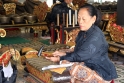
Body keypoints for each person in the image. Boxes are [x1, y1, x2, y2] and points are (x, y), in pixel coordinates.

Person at [45, 4, 118, 83]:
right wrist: (63, 53)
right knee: (65, 57)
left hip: (102, 71)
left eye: (83, 19)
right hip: (89, 64)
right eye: (79, 18)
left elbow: (80, 55)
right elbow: (78, 50)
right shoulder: (83, 32)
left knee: (74, 68)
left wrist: (60, 58)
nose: (80, 22)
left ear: (93, 19)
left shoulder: (96, 36)